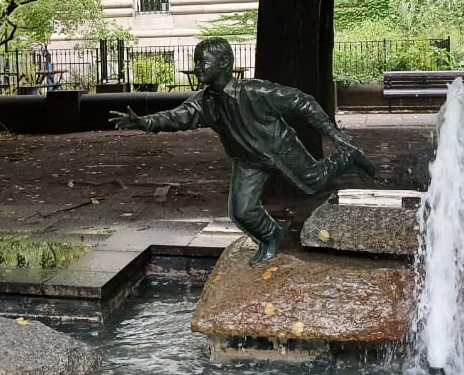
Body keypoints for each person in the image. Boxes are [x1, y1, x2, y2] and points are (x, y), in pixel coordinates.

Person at [110, 37, 375, 265]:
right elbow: (176, 117)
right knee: (241, 211)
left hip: (280, 149)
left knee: (313, 181)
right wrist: (144, 122)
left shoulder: (256, 91)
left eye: (204, 62)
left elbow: (302, 101)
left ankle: (348, 156)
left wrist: (333, 133)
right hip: (247, 161)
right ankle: (272, 237)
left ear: (224, 63)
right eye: (197, 61)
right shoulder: (204, 104)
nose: (197, 67)